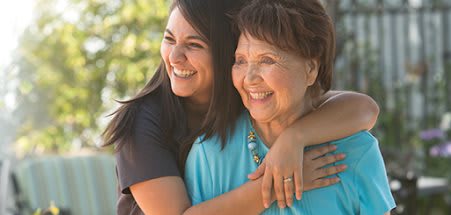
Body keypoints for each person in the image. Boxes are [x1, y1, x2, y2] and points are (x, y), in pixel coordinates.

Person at [102, 0, 381, 214]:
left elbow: (363, 109)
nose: (174, 56)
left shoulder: (250, 95)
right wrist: (279, 181)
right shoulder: (143, 123)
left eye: (194, 44)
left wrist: (294, 139)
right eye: (169, 39)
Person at [184, 0, 396, 214]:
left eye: (267, 60)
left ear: (311, 68)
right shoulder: (210, 153)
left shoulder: (357, 152)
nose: (249, 78)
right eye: (240, 60)